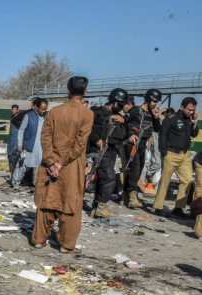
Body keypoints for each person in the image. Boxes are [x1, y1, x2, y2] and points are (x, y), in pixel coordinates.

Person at [32, 76, 93, 253]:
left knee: (47, 200)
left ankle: (39, 240)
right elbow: (79, 144)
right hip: (71, 166)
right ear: (85, 92)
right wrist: (61, 164)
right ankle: (66, 245)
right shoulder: (87, 114)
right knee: (70, 204)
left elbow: (45, 138)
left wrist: (51, 162)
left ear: (68, 90)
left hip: (48, 164)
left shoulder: (54, 112)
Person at [87, 88, 131, 219]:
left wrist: (124, 122)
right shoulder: (98, 112)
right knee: (109, 178)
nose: (123, 108)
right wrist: (96, 138)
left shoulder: (120, 117)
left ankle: (97, 207)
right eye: (122, 105)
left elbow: (124, 133)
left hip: (112, 150)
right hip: (100, 150)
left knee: (103, 178)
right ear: (116, 103)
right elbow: (86, 127)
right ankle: (101, 206)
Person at [152, 97, 199, 217]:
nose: (191, 112)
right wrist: (164, 153)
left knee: (187, 180)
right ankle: (158, 207)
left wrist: (195, 124)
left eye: (193, 110)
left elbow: (194, 133)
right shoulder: (171, 119)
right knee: (165, 181)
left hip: (184, 156)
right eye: (189, 110)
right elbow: (162, 136)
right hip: (171, 154)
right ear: (182, 107)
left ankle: (179, 207)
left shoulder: (190, 119)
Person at [121, 88, 162, 209]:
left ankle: (127, 195)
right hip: (133, 143)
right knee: (134, 168)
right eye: (154, 101)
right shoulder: (136, 110)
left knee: (139, 170)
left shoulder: (152, 113)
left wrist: (156, 117)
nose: (156, 104)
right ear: (148, 99)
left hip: (143, 143)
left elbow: (157, 128)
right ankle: (132, 196)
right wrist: (130, 135)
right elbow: (125, 123)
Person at [13, 98, 49, 188]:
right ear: (37, 107)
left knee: (41, 165)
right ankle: (16, 182)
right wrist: (20, 145)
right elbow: (21, 131)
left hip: (42, 146)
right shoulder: (28, 116)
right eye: (42, 109)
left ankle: (38, 183)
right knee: (22, 164)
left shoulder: (48, 116)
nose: (44, 111)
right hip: (29, 144)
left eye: (45, 109)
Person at [7, 103, 29, 175]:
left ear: (18, 110)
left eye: (15, 109)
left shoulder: (20, 120)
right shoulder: (11, 119)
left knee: (16, 155)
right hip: (11, 140)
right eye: (12, 109)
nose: (13, 111)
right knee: (10, 154)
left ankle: (15, 170)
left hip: (17, 140)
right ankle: (11, 169)